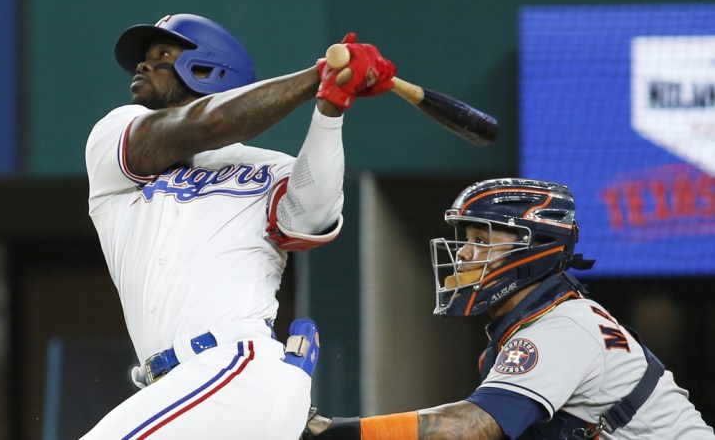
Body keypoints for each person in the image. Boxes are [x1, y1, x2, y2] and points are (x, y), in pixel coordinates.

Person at [83, 13, 395, 439]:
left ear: (210, 69)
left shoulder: (270, 168)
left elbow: (312, 214)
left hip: (235, 366)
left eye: (162, 55)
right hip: (175, 388)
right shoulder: (113, 134)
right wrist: (316, 76)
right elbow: (201, 124)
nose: (142, 65)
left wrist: (329, 107)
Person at [305, 178, 715, 439]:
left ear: (532, 249)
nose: (464, 252)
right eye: (464, 237)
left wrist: (334, 431)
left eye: (481, 240)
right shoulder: (537, 324)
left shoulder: (560, 329)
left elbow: (469, 428)